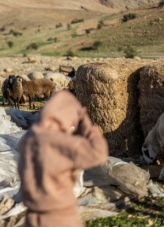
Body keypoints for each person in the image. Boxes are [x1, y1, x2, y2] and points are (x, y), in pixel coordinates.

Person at [18, 90, 108, 227]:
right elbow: (99, 154)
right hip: (60, 218)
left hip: (32, 217)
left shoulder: (28, 139)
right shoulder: (64, 143)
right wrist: (87, 127)